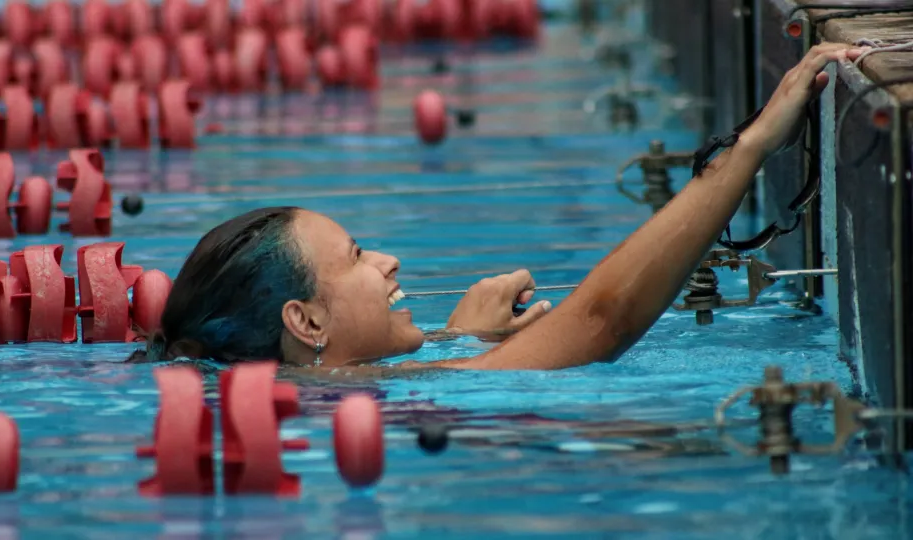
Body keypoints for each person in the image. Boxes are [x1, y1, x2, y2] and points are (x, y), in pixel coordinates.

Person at [129, 44, 865, 370]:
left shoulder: (349, 393)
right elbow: (601, 324)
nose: (388, 260)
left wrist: (465, 346)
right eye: (355, 256)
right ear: (307, 322)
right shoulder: (354, 410)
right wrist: (752, 147)